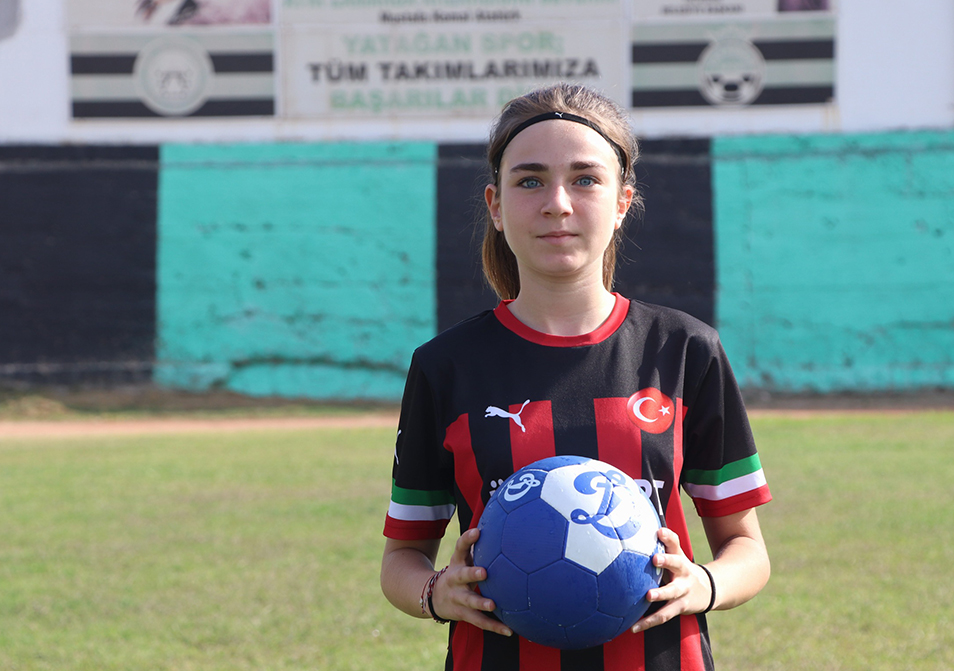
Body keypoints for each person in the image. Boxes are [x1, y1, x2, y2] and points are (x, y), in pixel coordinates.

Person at [381, 83, 771, 671]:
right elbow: (401, 558)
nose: (557, 203)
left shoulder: (685, 350)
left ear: (622, 202)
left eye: (585, 179)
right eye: (530, 181)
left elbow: (747, 549)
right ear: (495, 205)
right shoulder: (446, 365)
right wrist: (437, 592)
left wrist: (704, 584)